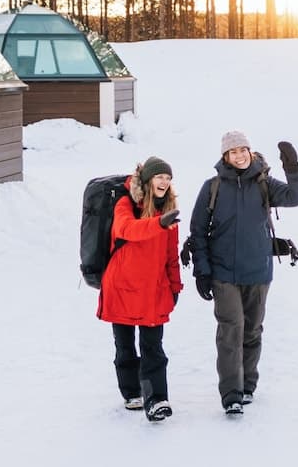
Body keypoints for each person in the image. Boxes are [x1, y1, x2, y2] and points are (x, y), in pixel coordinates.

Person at [189, 131, 298, 414]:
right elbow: (197, 232)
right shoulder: (212, 187)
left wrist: (293, 169)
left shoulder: (264, 183)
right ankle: (231, 393)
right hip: (224, 273)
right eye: (233, 152)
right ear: (225, 157)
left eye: (243, 150)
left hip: (258, 272)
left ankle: (247, 386)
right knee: (231, 331)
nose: (240, 155)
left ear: (250, 152)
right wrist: (202, 271)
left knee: (252, 331)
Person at [96, 156, 183, 422]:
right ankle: (132, 392)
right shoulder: (125, 204)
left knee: (153, 348)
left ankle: (157, 399)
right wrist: (158, 224)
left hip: (152, 290)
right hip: (121, 286)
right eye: (160, 177)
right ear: (147, 180)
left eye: (168, 178)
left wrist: (175, 286)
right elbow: (126, 230)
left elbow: (171, 254)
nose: (164, 183)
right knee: (125, 347)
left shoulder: (168, 209)